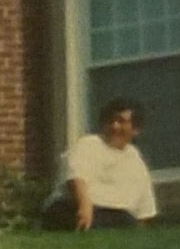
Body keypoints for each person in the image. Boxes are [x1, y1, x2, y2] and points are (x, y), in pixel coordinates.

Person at [44, 98, 158, 229]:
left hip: (117, 215)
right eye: (111, 121)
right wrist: (84, 208)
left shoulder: (136, 162)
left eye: (121, 121)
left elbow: (144, 213)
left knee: (124, 221)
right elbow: (76, 179)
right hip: (75, 207)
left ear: (136, 129)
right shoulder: (89, 144)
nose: (115, 126)